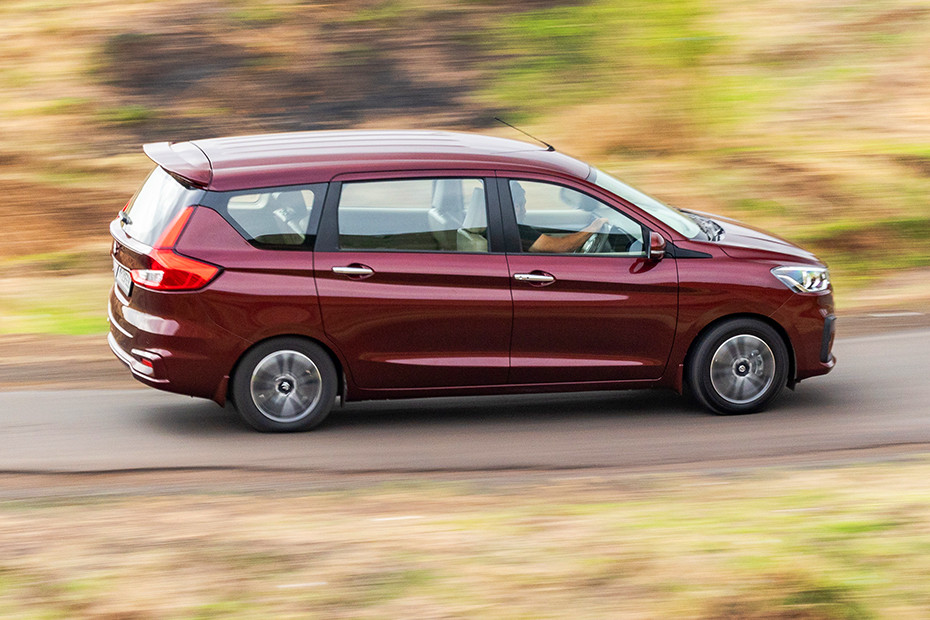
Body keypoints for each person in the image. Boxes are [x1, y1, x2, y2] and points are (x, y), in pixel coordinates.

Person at [512, 182, 607, 253]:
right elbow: (561, 247)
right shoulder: (514, 231)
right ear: (516, 207)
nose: (524, 210)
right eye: (522, 205)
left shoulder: (511, 227)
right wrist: (593, 228)